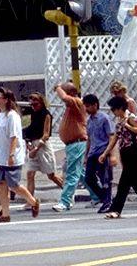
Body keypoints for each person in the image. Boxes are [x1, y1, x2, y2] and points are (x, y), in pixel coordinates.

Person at [99, 95, 137, 219]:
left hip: (132, 152)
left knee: (123, 184)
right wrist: (105, 153)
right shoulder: (120, 120)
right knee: (136, 183)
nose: (113, 112)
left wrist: (128, 126)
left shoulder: (130, 118)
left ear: (120, 108)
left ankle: (116, 209)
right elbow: (114, 139)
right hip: (125, 153)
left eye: (114, 109)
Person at [0, 88, 40, 223]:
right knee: (2, 185)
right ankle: (5, 214)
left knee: (14, 185)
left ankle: (33, 202)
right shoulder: (0, 115)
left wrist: (11, 155)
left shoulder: (12, 116)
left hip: (10, 156)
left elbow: (14, 137)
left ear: (6, 100)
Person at [52, 82, 87, 212]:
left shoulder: (76, 102)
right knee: (81, 174)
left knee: (72, 173)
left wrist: (58, 87)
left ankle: (65, 201)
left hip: (77, 143)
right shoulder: (71, 106)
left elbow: (64, 98)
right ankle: (97, 195)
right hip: (73, 144)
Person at [23, 92, 63, 197]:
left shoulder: (46, 114)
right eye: (31, 105)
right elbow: (31, 130)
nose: (33, 107)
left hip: (43, 145)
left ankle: (68, 192)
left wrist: (36, 148)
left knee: (51, 175)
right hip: (33, 144)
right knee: (30, 174)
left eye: (35, 104)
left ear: (41, 103)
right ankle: (30, 201)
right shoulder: (33, 114)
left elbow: (46, 134)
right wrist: (28, 143)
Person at [83, 93, 115, 213]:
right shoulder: (89, 121)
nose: (86, 109)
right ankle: (104, 197)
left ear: (95, 105)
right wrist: (86, 155)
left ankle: (108, 202)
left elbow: (111, 137)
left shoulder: (104, 118)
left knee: (105, 179)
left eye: (88, 106)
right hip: (93, 152)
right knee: (89, 178)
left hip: (103, 151)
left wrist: (110, 154)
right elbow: (89, 139)